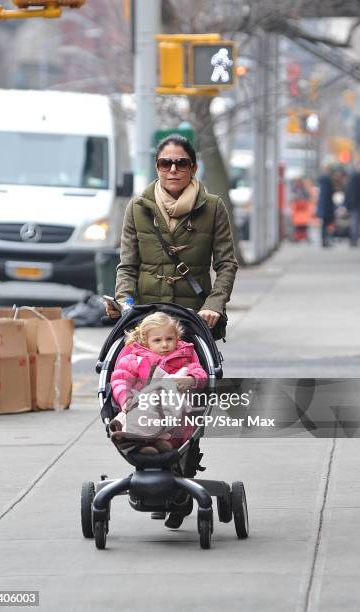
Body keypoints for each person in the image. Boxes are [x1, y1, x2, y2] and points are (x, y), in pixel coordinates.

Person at [104, 134, 238, 333]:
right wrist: (123, 301)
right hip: (147, 316)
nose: (173, 170)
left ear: (193, 168)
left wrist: (214, 304)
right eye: (165, 163)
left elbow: (226, 264)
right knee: (129, 363)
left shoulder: (213, 207)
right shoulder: (137, 207)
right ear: (157, 168)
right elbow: (128, 266)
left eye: (181, 163)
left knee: (194, 365)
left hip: (193, 314)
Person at [109, 312, 207, 455]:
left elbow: (200, 374)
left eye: (169, 339)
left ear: (177, 338)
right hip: (142, 405)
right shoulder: (134, 359)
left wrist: (191, 380)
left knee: (180, 424)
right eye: (157, 340)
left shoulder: (184, 359)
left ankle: (163, 443)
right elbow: (120, 380)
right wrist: (126, 398)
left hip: (172, 411)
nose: (165, 344)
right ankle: (142, 446)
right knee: (134, 417)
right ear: (145, 341)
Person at [316, 167, 335, 247]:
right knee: (326, 225)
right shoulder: (326, 181)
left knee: (325, 225)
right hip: (326, 207)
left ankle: (325, 240)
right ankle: (325, 240)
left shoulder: (322, 181)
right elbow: (327, 195)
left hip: (324, 207)